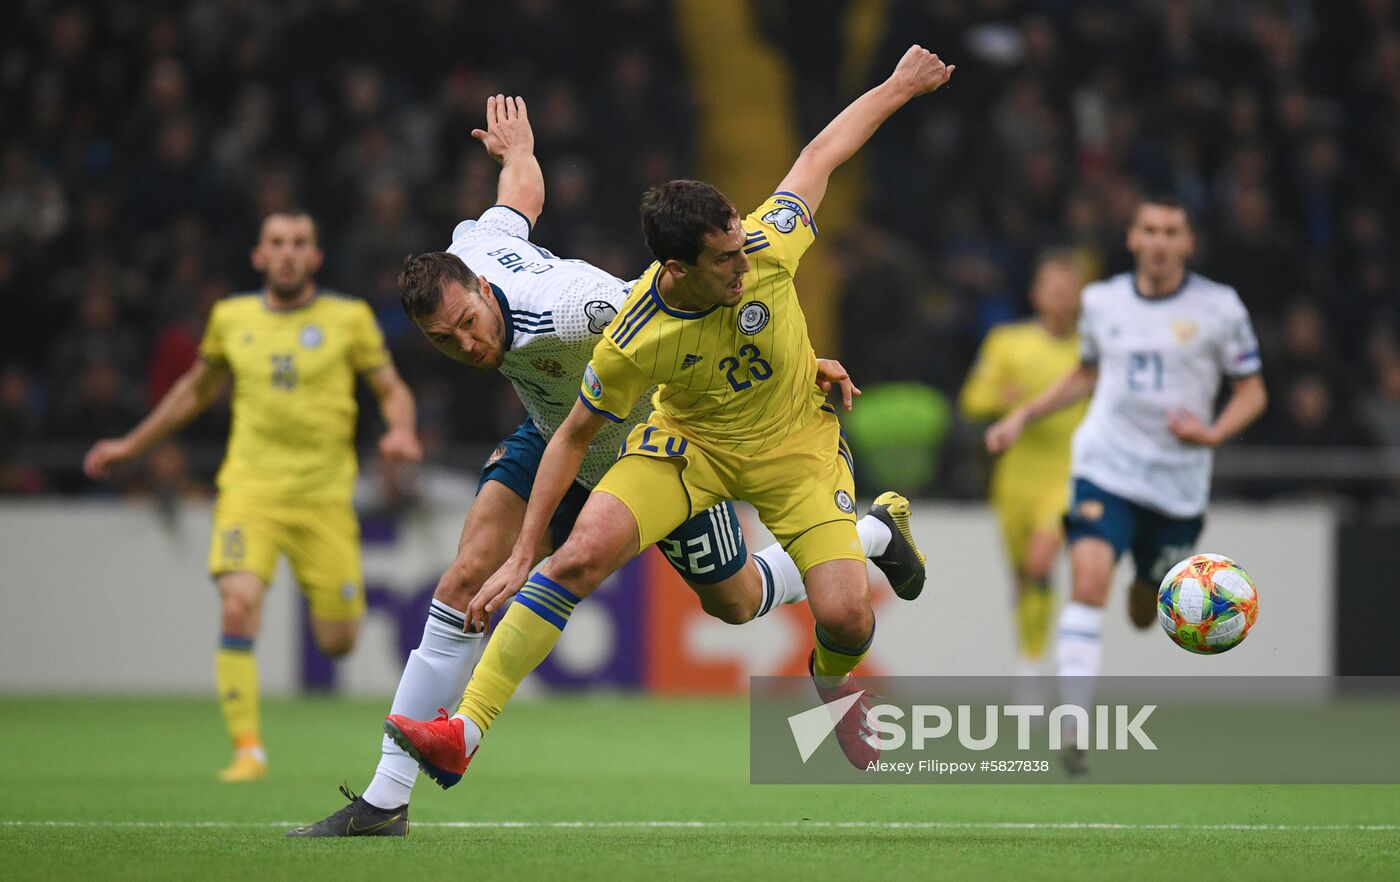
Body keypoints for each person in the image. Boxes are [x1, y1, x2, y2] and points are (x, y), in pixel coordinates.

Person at [288, 96, 923, 836]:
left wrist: (799, 361)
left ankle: (871, 535)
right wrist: (518, 153)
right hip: (556, 427)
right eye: (445, 340)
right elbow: (517, 201)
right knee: (466, 578)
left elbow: (685, 317)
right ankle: (386, 798)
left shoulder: (582, 308)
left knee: (738, 600)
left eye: (469, 325)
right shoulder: (476, 252)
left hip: (658, 434)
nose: (465, 345)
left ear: (487, 296)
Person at [83, 211, 422, 782]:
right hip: (249, 492)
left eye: (299, 244)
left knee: (339, 640)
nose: (287, 253)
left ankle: (275, 710)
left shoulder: (348, 319)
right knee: (238, 602)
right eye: (276, 244)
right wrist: (132, 445)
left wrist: (402, 430)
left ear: (315, 258)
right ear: (258, 257)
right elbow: (194, 391)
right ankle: (247, 750)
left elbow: (391, 389)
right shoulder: (231, 317)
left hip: (323, 499)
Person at [984, 196, 1267, 772]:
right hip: (1105, 466)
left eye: (1172, 231)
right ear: (1133, 239)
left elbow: (1252, 391)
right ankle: (1075, 726)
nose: (1160, 241)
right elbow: (1087, 373)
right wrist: (1022, 415)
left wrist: (1213, 435)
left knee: (1145, 608)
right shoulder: (1101, 301)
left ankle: (1147, 587)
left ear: (1188, 244)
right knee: (1087, 582)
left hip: (1177, 484)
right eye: (1149, 230)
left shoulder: (1220, 308)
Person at [959, 250, 1085, 676]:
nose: (1059, 295)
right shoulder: (1007, 342)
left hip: (1069, 476)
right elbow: (972, 399)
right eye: (1052, 286)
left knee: (1038, 562)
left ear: (1079, 297)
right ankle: (1031, 657)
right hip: (1015, 480)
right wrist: (1001, 398)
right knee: (1023, 577)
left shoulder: (1090, 352)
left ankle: (1033, 664)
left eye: (1068, 288)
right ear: (1036, 292)